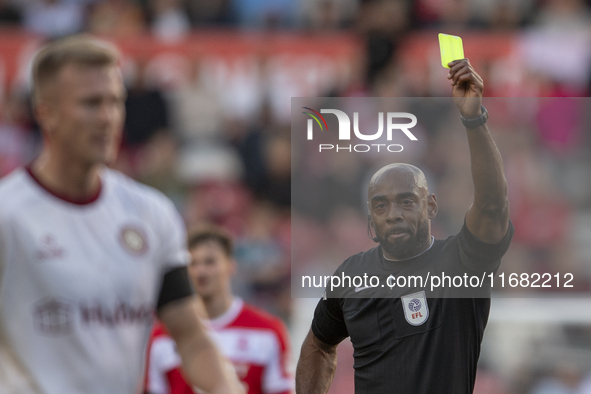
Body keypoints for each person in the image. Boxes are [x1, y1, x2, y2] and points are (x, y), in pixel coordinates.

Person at [0, 35, 241, 394]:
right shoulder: (8, 216)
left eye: (115, 102)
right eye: (91, 103)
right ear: (46, 113)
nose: (107, 117)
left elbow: (191, 337)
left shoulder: (151, 213)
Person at [295, 59, 514, 394]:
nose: (393, 213)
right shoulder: (352, 275)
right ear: (370, 217)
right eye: (381, 206)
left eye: (407, 201)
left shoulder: (462, 263)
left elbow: (492, 206)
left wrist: (473, 118)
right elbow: (318, 345)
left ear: (431, 206)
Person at [146, 225, 294, 394]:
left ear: (231, 266)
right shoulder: (161, 336)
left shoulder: (268, 331)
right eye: (192, 263)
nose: (200, 271)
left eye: (210, 262)